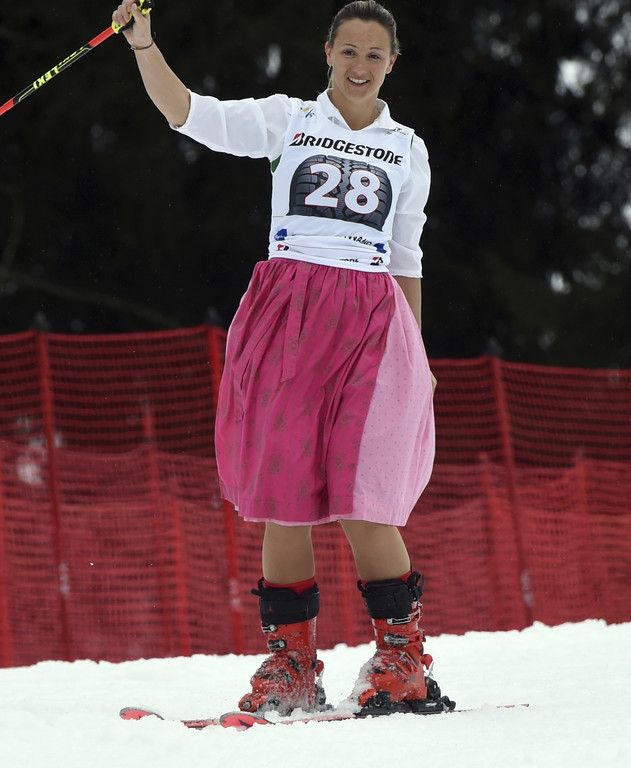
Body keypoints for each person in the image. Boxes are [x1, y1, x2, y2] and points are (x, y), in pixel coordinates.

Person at [112, 0, 454, 716]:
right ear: (327, 52)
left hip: (371, 321)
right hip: (289, 316)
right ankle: (292, 666)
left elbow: (405, 255)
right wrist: (144, 46)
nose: (359, 65)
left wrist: (414, 353)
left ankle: (403, 661)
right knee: (283, 496)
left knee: (365, 495)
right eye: (348, 50)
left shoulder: (407, 148)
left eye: (374, 54)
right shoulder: (287, 119)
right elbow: (188, 113)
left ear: (392, 63)